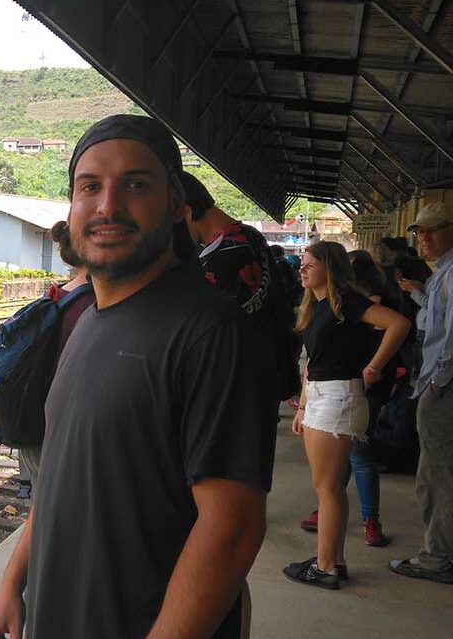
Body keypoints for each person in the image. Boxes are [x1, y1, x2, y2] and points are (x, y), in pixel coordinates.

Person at [0, 114, 276, 639]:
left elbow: (231, 527)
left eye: (136, 184)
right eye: (90, 186)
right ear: (72, 207)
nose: (108, 206)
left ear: (176, 206)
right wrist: (12, 582)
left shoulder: (210, 332)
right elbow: (60, 476)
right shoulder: (87, 320)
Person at [284, 241, 410, 590]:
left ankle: (325, 567)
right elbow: (313, 362)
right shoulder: (320, 306)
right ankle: (332, 560)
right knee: (330, 488)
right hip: (323, 397)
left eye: (309, 264)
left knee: (327, 489)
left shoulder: (347, 301)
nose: (302, 269)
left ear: (330, 267)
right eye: (302, 265)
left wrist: (374, 366)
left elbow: (398, 324)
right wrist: (305, 405)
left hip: (339, 397)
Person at [180, 172, 300, 403]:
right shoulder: (250, 237)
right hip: (266, 378)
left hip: (237, 391)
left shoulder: (222, 257)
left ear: (186, 212)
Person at [391, 201, 453, 584]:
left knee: (436, 475)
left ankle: (437, 558)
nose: (423, 238)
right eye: (418, 232)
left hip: (444, 387)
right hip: (440, 383)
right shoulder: (441, 274)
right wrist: (418, 292)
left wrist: (437, 383)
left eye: (432, 230)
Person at [14, 220, 95, 499]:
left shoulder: (54, 296)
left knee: (43, 504)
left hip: (35, 425)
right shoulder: (94, 306)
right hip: (65, 433)